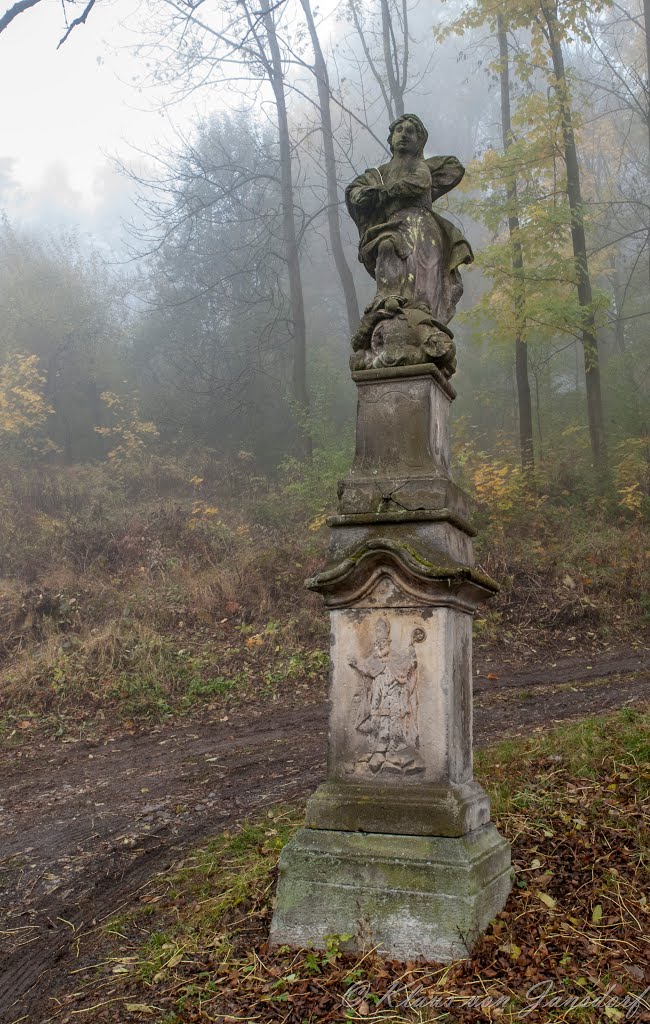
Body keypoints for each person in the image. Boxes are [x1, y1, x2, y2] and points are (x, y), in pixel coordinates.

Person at [345, 114, 473, 374]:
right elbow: (355, 192)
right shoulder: (378, 174)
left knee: (425, 275)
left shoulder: (421, 167)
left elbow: (445, 172)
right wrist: (368, 194)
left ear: (419, 141)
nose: (404, 134)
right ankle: (389, 311)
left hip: (424, 228)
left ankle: (423, 324)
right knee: (387, 248)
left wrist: (383, 192)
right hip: (392, 226)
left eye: (411, 131)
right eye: (399, 130)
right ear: (391, 139)